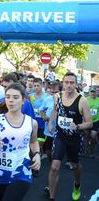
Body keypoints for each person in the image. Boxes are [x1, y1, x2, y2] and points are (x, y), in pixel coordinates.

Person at [0, 83, 41, 201]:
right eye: (8, 97)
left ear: (23, 100)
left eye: (15, 97)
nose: (11, 100)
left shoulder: (31, 123)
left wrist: (37, 154)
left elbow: (33, 142)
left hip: (21, 172)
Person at [48, 72, 93, 201]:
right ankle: (51, 197)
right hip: (60, 135)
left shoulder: (82, 100)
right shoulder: (58, 96)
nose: (68, 85)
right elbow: (55, 111)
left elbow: (89, 123)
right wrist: (51, 122)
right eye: (66, 82)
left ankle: (77, 185)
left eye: (71, 83)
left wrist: (77, 126)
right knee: (54, 166)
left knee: (75, 165)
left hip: (75, 138)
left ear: (76, 84)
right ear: (63, 83)